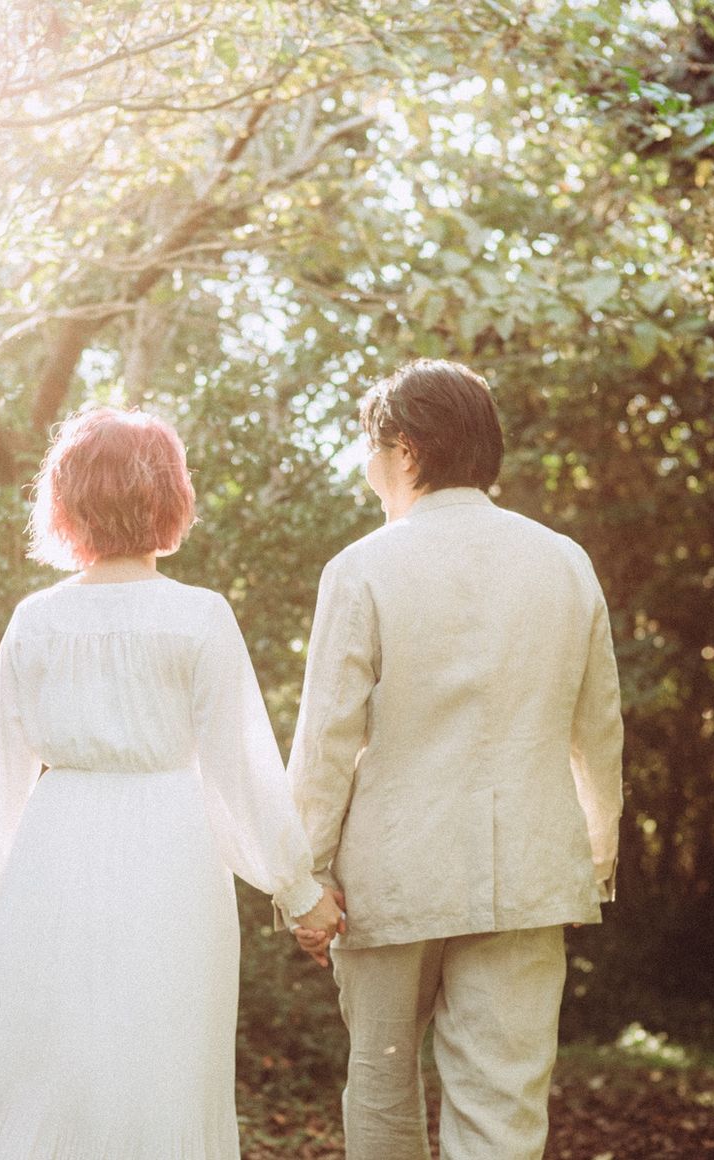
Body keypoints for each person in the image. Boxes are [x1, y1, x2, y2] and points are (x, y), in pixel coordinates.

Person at [0, 406, 341, 1160]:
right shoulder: (199, 617)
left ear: (67, 502)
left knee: (42, 1068)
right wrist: (300, 893)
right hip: (172, 859)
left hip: (52, 858)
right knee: (160, 1064)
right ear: (169, 497)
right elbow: (240, 775)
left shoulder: (36, 620)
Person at [286, 359, 624, 1160]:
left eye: (370, 448)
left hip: (392, 878)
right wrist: (593, 858)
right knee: (505, 1105)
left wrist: (304, 877)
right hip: (529, 873)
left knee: (382, 1090)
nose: (367, 467)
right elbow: (599, 729)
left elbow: (328, 738)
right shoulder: (564, 561)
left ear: (404, 450)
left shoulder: (363, 567)